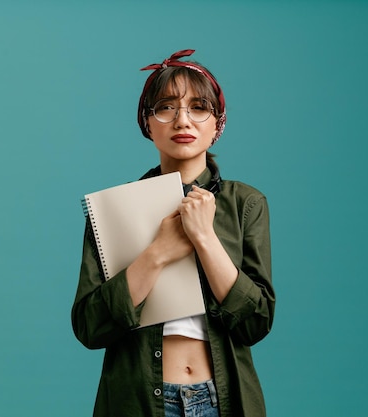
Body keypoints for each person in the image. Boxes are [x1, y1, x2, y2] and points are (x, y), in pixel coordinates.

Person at [71, 49, 275, 417]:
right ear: (148, 123)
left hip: (221, 401)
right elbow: (90, 327)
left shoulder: (246, 204)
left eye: (199, 108)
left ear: (218, 124)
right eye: (166, 107)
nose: (183, 120)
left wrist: (204, 238)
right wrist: (158, 252)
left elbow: (256, 323)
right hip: (138, 402)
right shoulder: (113, 211)